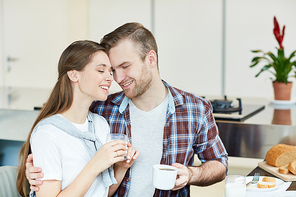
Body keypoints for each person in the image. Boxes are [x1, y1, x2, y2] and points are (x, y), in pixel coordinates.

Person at [25, 23, 228, 196]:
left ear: (150, 59)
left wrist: (192, 175)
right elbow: (60, 129)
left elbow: (219, 164)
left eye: (125, 66)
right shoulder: (101, 108)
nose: (118, 78)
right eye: (113, 70)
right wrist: (35, 171)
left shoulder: (195, 109)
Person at [16, 40, 139, 197]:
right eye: (101, 71)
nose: (110, 78)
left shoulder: (100, 125)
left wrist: (122, 167)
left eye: (110, 72)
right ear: (74, 75)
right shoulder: (48, 133)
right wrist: (95, 164)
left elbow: (101, 193)